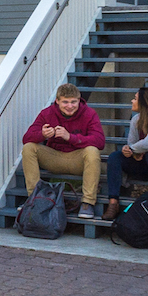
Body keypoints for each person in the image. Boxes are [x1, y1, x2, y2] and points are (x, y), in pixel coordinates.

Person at [20, 84, 106, 218]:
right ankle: (34, 199)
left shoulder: (89, 114)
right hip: (54, 157)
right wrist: (42, 134)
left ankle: (87, 203)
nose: (70, 106)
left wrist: (70, 137)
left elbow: (100, 141)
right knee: (29, 148)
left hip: (78, 159)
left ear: (79, 100)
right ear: (57, 101)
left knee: (92, 151)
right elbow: (26, 138)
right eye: (65, 102)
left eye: (73, 102)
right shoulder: (47, 113)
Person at [100, 86, 148, 210]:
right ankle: (113, 202)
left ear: (145, 103)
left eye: (135, 99)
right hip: (147, 165)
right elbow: (132, 144)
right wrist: (129, 151)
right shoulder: (136, 120)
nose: (132, 101)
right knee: (115, 157)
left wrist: (133, 149)